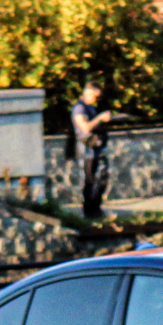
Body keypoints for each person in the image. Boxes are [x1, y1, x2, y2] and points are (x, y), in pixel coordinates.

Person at [70, 81, 113, 222]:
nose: (97, 100)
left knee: (102, 178)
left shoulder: (91, 108)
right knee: (90, 181)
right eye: (96, 96)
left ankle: (96, 208)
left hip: (96, 149)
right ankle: (89, 211)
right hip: (86, 150)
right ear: (88, 93)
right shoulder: (79, 109)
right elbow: (85, 128)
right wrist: (100, 118)